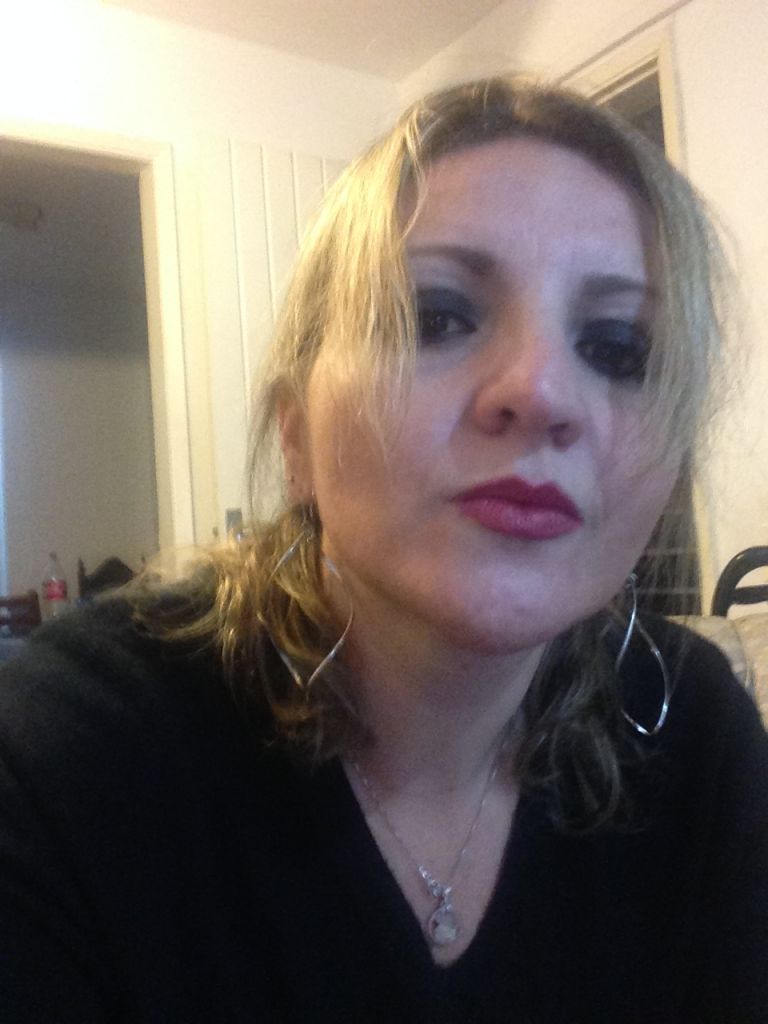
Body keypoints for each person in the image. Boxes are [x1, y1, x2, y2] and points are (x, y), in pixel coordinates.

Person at [1, 76, 766, 1023]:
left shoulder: (698, 737)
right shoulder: (76, 752)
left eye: (617, 348)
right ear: (295, 436)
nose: (542, 392)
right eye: (436, 315)